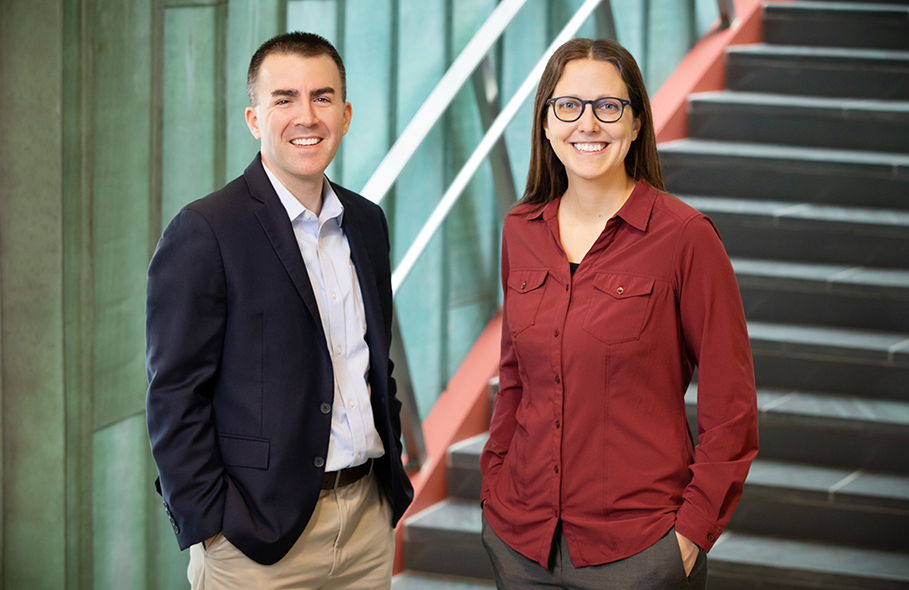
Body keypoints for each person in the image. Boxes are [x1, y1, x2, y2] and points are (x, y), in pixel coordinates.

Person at [480, 38, 758, 589]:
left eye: (609, 107)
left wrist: (688, 536)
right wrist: (493, 489)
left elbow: (732, 408)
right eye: (569, 106)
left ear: (635, 125)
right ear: (546, 124)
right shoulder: (521, 231)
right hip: (520, 542)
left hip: (640, 553)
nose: (589, 123)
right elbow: (515, 379)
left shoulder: (685, 239)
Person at [145, 31, 412, 590]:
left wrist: (392, 484)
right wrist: (211, 524)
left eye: (322, 97)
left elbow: (372, 363)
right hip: (256, 542)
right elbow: (174, 394)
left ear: (345, 113)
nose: (306, 116)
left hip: (366, 524)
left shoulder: (367, 222)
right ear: (253, 117)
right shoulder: (206, 231)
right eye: (284, 99)